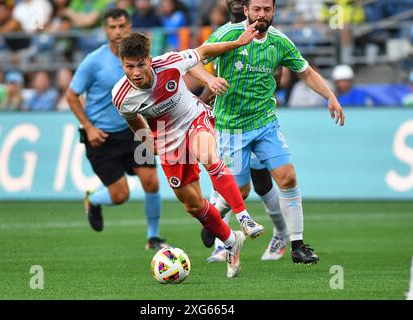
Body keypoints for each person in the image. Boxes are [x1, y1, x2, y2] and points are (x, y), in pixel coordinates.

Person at [199, 0, 345, 265]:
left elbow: (306, 72)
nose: (262, 15)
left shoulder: (280, 41)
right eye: (257, 9)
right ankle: (213, 219)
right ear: (246, 10)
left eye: (267, 10)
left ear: (274, 11)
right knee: (240, 191)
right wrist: (209, 80)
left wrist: (330, 96)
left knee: (287, 178)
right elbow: (195, 58)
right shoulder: (226, 34)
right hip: (230, 126)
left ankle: (298, 246)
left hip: (265, 123)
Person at [111, 26, 264, 278]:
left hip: (194, 117)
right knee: (193, 205)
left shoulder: (169, 63)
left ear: (149, 60)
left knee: (208, 155)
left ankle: (244, 218)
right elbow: (132, 119)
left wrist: (238, 43)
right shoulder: (121, 96)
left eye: (140, 65)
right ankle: (230, 240)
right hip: (167, 139)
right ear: (122, 64)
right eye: (129, 67)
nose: (136, 73)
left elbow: (203, 51)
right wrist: (148, 141)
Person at [66, 8, 167, 250]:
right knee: (120, 196)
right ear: (105, 29)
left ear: (130, 26)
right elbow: (71, 95)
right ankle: (93, 199)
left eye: (122, 26)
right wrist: (88, 127)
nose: (118, 32)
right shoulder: (93, 61)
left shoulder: (142, 59)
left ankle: (153, 237)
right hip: (102, 137)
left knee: (151, 182)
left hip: (134, 131)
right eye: (112, 27)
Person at [198, 0, 289, 263]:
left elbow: (276, 73)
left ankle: (281, 234)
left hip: (258, 121)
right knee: (230, 179)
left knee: (261, 182)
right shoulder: (224, 34)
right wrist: (203, 102)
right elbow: (207, 71)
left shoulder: (266, 32)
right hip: (230, 123)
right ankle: (221, 241)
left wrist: (257, 93)